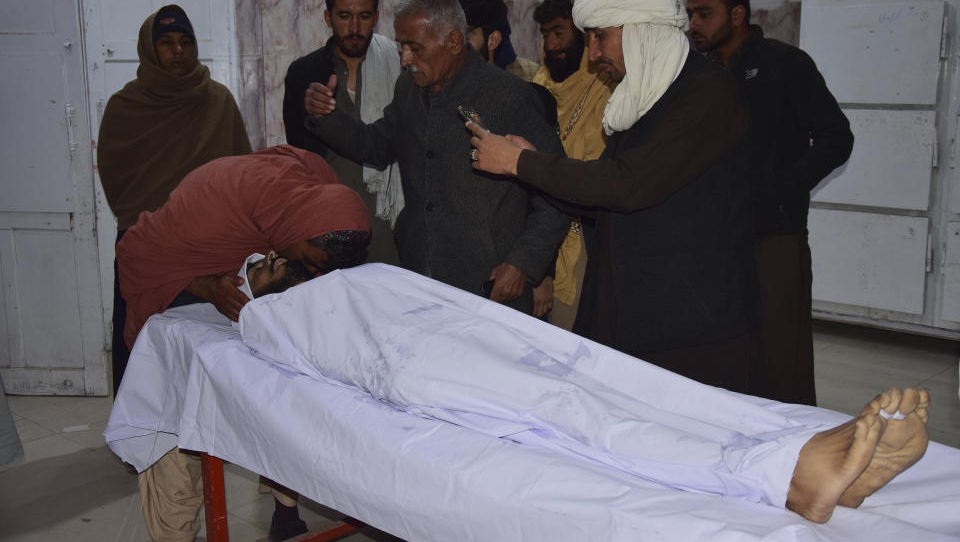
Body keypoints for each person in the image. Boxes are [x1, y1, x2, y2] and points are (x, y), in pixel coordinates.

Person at [240, 262, 931, 525]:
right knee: (577, 413)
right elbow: (261, 327)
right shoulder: (284, 311)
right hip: (425, 365)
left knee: (618, 386)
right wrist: (244, 295)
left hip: (473, 338)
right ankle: (789, 473)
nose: (274, 264)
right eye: (263, 267)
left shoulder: (357, 274)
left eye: (272, 257)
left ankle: (809, 458)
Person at [468, 0, 759, 392]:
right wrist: (528, 167)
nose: (593, 54)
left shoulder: (707, 94)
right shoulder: (642, 98)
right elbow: (603, 194)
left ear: (641, 29)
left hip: (692, 324)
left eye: (601, 37)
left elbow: (627, 184)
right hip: (635, 309)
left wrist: (519, 163)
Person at [303, 0, 570, 315]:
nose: (404, 59)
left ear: (454, 42)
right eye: (401, 46)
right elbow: (378, 145)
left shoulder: (509, 96)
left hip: (490, 286)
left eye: (414, 47)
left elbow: (557, 191)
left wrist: (523, 263)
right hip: (420, 275)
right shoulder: (409, 89)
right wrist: (327, 119)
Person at [683, 0, 855, 406]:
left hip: (773, 236)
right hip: (712, 240)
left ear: (737, 13)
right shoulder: (695, 74)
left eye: (705, 14)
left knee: (779, 358)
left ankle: (794, 454)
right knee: (719, 355)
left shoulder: (784, 63)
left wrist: (782, 188)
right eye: (690, 14)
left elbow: (837, 137)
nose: (694, 25)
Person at [97, 4, 251, 395]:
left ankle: (208, 435)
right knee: (145, 346)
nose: (178, 50)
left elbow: (241, 172)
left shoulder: (217, 101)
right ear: (149, 50)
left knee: (208, 348)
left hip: (211, 247)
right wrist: (159, 229)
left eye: (185, 41)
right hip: (147, 247)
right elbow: (119, 182)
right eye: (166, 43)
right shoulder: (125, 107)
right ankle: (144, 437)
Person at [117, 144, 370, 349]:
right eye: (310, 263)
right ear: (296, 232)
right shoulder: (213, 208)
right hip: (175, 276)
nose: (315, 275)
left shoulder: (321, 188)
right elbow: (136, 253)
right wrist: (208, 288)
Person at [137, 250, 312, 542]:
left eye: (267, 264)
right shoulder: (175, 326)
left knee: (285, 421)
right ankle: (175, 535)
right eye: (264, 264)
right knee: (174, 446)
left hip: (251, 337)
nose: (269, 256)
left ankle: (286, 515)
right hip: (185, 321)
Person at [283, 0, 402, 266]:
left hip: (390, 214)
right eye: (344, 16)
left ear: (376, 17)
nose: (355, 27)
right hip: (330, 221)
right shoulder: (305, 74)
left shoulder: (399, 67)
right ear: (328, 18)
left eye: (364, 16)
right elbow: (300, 158)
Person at [530, 0, 616, 329]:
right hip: (538, 239)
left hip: (588, 236)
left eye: (559, 32)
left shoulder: (607, 89)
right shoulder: (536, 89)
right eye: (545, 35)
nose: (552, 44)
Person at [455, 0, 540, 81]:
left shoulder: (529, 78)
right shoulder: (442, 81)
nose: (454, 45)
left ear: (493, 40)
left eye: (466, 37)